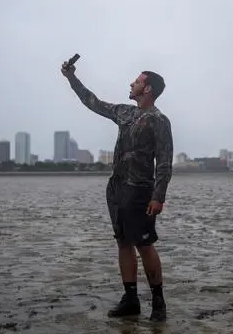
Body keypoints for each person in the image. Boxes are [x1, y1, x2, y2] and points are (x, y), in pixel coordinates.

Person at [61, 60, 173, 321]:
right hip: (117, 188)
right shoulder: (125, 112)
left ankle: (158, 302)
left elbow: (165, 162)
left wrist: (158, 196)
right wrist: (71, 78)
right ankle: (131, 299)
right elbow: (93, 102)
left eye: (136, 81)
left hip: (141, 191)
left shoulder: (159, 121)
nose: (131, 84)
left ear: (147, 89)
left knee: (144, 244)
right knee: (123, 242)